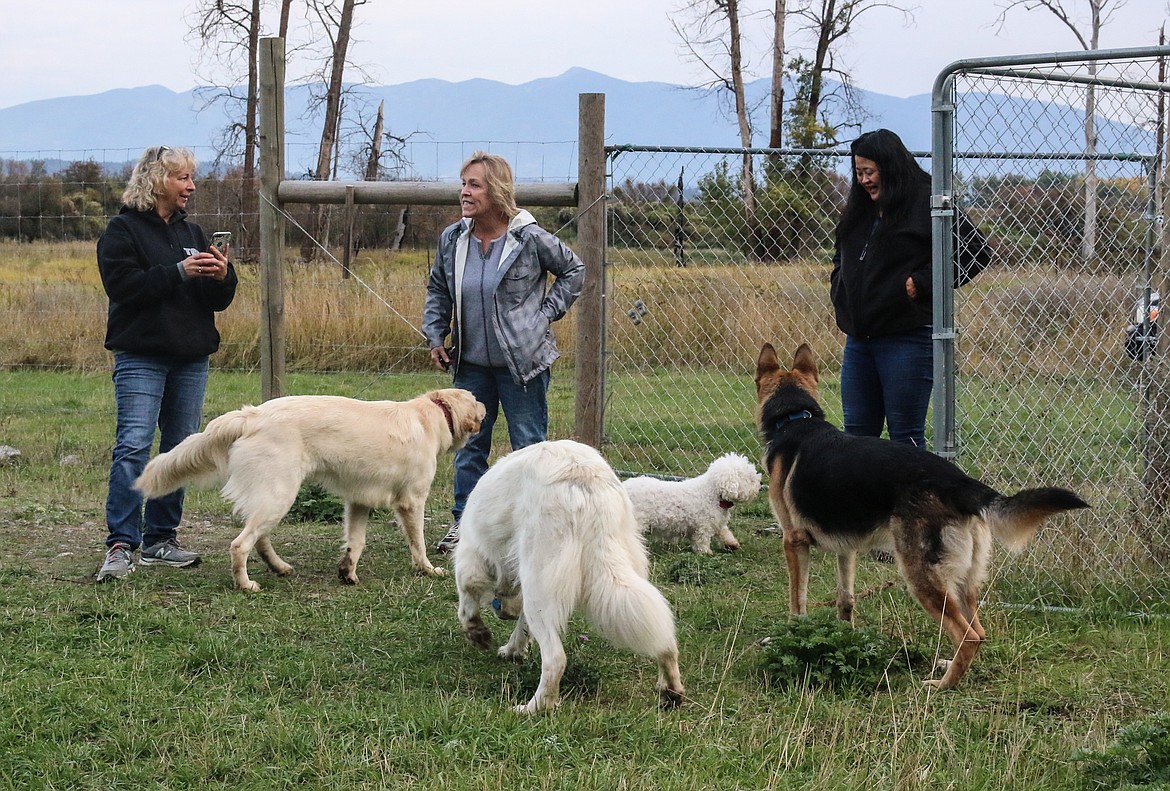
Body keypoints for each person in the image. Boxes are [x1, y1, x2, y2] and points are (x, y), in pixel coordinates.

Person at [423, 151, 585, 553]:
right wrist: (435, 335)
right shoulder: (452, 239)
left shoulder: (528, 237)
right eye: (463, 183)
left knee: (529, 449)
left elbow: (574, 270)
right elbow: (439, 289)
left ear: (496, 191)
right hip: (470, 365)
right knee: (469, 448)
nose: (464, 192)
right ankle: (466, 526)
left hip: (523, 365)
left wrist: (544, 314)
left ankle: (532, 529)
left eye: (474, 184)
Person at [95, 145, 239, 582]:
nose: (191, 187)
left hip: (191, 357)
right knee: (134, 445)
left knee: (180, 449)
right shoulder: (121, 232)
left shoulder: (192, 232)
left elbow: (219, 301)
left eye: (191, 178)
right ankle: (121, 543)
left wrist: (222, 275)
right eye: (183, 178)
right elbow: (123, 288)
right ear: (157, 181)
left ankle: (161, 538)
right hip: (141, 355)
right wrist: (179, 271)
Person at [830, 128, 989, 449]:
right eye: (858, 172)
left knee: (905, 438)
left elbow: (975, 252)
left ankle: (910, 501)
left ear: (890, 167)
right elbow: (841, 252)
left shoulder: (926, 199)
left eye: (870, 171)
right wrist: (840, 285)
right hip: (859, 342)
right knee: (857, 439)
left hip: (907, 339)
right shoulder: (860, 205)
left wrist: (923, 282)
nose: (863, 180)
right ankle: (867, 501)